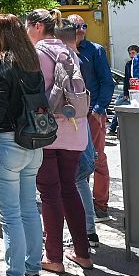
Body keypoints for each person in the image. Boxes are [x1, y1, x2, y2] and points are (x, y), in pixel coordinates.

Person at [0, 14, 45, 276]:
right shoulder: (31, 63)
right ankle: (32, 271)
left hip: (6, 143)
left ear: (0, 33)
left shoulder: (2, 63)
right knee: (29, 209)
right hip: (33, 144)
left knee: (10, 217)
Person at [25, 10, 93, 273]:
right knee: (69, 189)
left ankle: (54, 257)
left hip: (49, 130)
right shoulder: (69, 51)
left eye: (28, 27)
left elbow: (33, 93)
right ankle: (83, 253)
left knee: (49, 193)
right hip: (75, 130)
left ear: (38, 26)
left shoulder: (39, 53)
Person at [66, 15, 115, 222]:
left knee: (97, 157)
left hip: (91, 113)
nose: (80, 30)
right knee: (73, 159)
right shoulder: (62, 50)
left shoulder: (95, 50)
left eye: (83, 26)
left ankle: (100, 204)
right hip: (70, 116)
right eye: (75, 26)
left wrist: (99, 108)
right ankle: (80, 202)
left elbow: (107, 81)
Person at [55, 23, 99, 248]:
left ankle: (85, 232)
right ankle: (89, 232)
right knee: (80, 181)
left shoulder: (65, 61)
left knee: (76, 182)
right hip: (82, 128)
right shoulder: (78, 59)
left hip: (71, 129)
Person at [108, 45, 139, 135]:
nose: (131, 55)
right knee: (119, 106)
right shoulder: (129, 64)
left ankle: (113, 128)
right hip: (129, 91)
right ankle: (112, 128)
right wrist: (126, 92)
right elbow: (126, 79)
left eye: (133, 53)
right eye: (130, 53)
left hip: (137, 91)